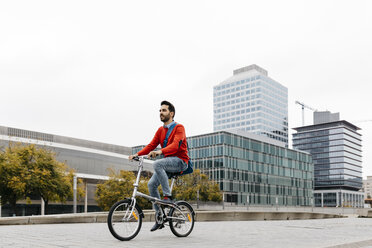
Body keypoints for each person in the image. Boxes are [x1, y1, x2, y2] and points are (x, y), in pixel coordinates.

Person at [129, 100, 189, 232]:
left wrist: (160, 151)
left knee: (157, 163)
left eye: (164, 110)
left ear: (171, 113)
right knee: (151, 185)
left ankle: (167, 197)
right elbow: (151, 145)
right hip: (168, 163)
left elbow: (175, 144)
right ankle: (160, 216)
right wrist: (137, 154)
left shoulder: (179, 128)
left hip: (180, 161)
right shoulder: (160, 130)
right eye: (160, 111)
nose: (161, 113)